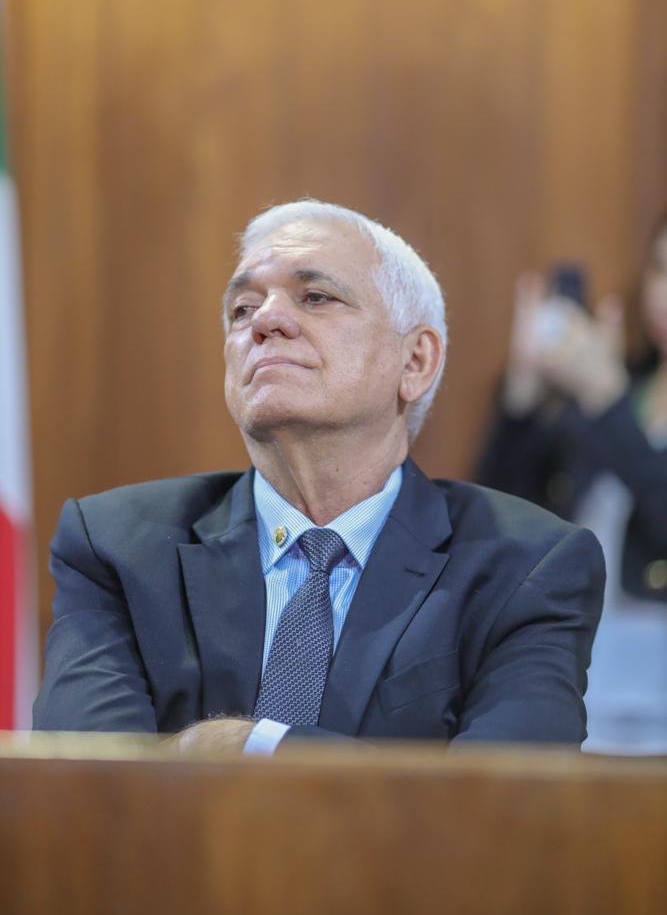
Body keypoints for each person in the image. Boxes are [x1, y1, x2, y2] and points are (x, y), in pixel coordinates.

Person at [33, 200, 604, 755]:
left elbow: (506, 805)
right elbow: (85, 791)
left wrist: (251, 747)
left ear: (415, 362)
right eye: (242, 309)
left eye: (316, 297)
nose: (265, 321)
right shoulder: (117, 547)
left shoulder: (526, 569)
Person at [477, 220, 667, 753]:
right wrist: (524, 391)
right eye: (660, 269)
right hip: (581, 684)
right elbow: (500, 514)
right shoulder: (618, 390)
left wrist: (606, 399)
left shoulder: (609, 395)